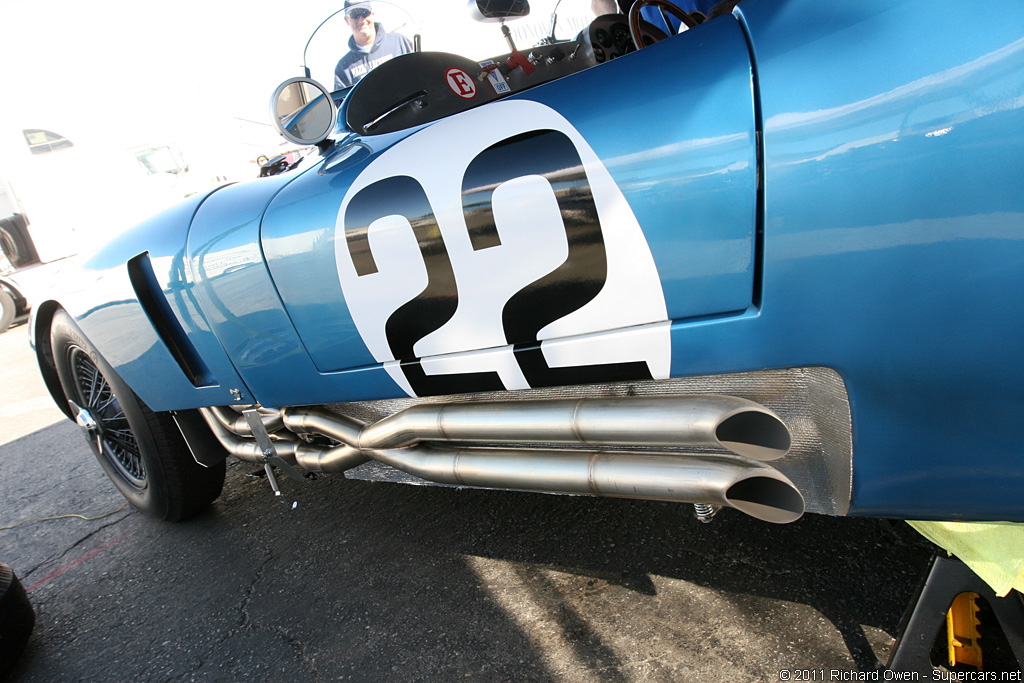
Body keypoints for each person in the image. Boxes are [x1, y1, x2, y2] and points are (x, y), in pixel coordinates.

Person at [334, 0, 413, 90]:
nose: (361, 19)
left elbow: (418, 76)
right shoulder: (344, 67)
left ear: (372, 14)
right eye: (354, 15)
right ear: (347, 20)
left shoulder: (399, 42)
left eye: (365, 13)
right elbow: (341, 102)